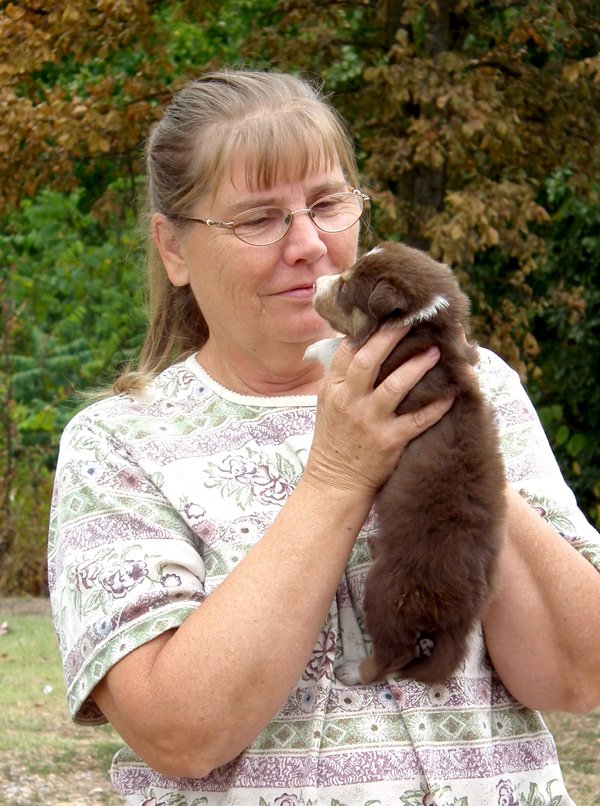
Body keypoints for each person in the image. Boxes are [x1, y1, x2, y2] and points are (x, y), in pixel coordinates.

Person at [48, 68, 600, 806]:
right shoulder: (119, 446)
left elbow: (577, 673)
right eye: (258, 218)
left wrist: (454, 437)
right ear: (174, 250)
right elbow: (180, 733)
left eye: (328, 203)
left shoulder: (477, 382)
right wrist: (339, 474)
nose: (310, 244)